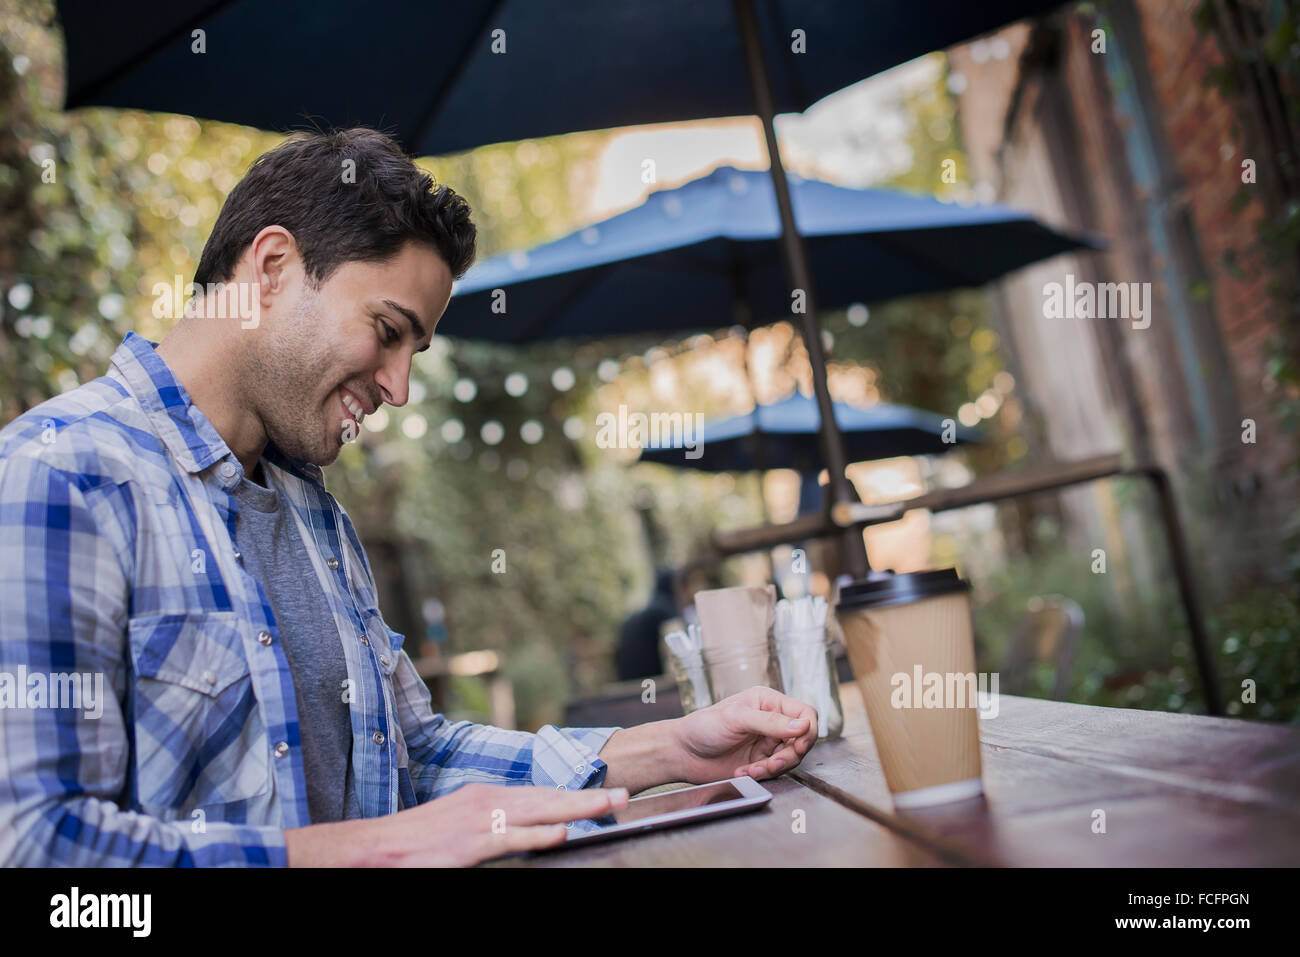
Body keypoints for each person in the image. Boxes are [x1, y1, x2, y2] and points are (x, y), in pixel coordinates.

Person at [0, 128, 818, 867]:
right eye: (387, 331)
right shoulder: (62, 475)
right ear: (273, 268)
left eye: (413, 350)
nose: (396, 387)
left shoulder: (314, 513)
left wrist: (669, 749)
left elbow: (410, 758)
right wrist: (377, 847)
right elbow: (41, 852)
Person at [614, 568, 678, 680]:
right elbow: (674, 656)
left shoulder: (649, 609)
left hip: (628, 680)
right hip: (651, 682)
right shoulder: (665, 609)